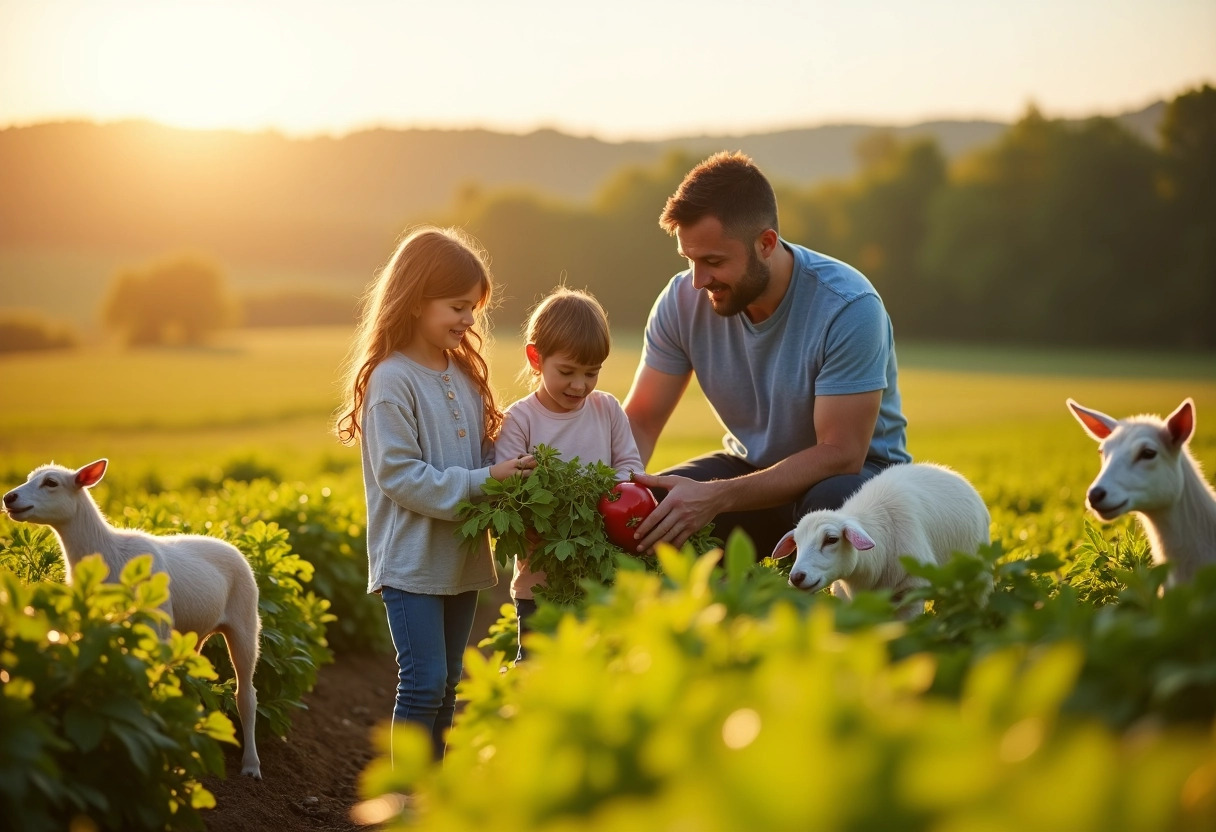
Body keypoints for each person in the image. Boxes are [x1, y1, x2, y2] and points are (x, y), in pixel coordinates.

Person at [624, 151, 910, 557]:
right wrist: (610, 495)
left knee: (832, 506)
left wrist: (716, 497)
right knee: (653, 513)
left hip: (858, 480)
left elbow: (841, 454)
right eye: (689, 260)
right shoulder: (681, 301)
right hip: (751, 472)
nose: (698, 280)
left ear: (766, 243)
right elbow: (641, 420)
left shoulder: (848, 306)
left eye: (713, 261)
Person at [335, 226, 536, 760]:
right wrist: (485, 482)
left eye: (473, 308)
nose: (470, 321)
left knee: (447, 686)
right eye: (458, 307)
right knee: (423, 683)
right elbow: (399, 477)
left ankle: (435, 799)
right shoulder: (390, 381)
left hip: (462, 558)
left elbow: (482, 455)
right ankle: (407, 804)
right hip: (412, 563)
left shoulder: (464, 375)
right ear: (416, 299)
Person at [494, 286, 644, 659]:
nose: (580, 385)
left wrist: (599, 489)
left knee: (599, 668)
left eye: (592, 373)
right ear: (535, 358)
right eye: (567, 371)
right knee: (535, 668)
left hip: (599, 574)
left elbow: (631, 469)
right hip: (539, 582)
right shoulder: (520, 419)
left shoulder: (607, 409)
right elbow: (509, 489)